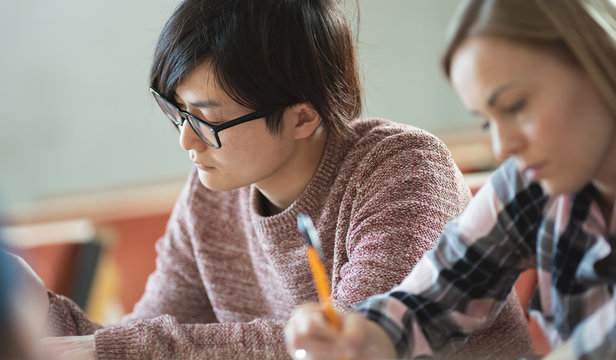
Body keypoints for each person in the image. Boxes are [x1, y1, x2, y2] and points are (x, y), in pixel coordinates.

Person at [14, 0, 534, 359]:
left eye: (207, 118)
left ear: (303, 118)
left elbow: (348, 343)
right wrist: (33, 309)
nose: (186, 141)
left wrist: (111, 349)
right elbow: (136, 342)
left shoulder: (404, 172)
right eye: (177, 112)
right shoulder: (210, 196)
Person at [285, 0, 616, 359]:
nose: (502, 147)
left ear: (598, 65)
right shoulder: (530, 182)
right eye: (488, 122)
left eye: (516, 106)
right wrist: (362, 334)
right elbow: (440, 292)